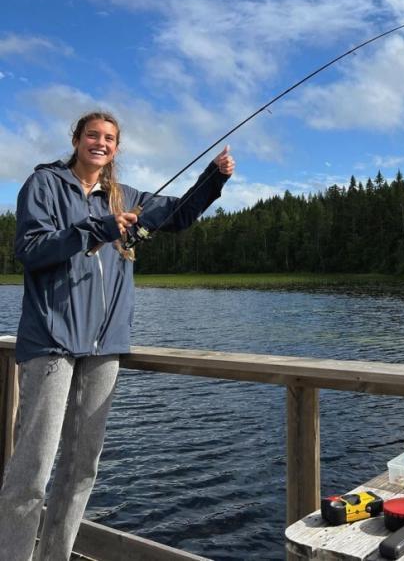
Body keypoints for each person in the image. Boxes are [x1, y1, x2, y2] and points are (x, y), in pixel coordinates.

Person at [0, 111, 235, 561]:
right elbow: (30, 250)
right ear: (76, 139)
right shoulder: (44, 186)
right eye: (93, 135)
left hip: (105, 346)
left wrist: (213, 178)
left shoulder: (124, 197)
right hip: (51, 341)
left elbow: (178, 216)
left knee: (81, 469)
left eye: (109, 138)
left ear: (117, 148)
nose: (100, 143)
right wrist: (97, 229)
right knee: (32, 470)